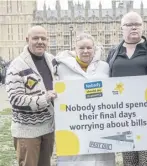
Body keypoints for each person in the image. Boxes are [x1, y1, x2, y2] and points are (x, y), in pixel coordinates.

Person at [107, 11, 147, 166]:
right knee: (129, 161)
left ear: (143, 27)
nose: (133, 27)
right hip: (123, 116)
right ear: (121, 28)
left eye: (137, 24)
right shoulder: (113, 52)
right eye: (129, 24)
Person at [55, 33, 115, 166]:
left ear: (94, 48)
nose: (85, 51)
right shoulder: (61, 68)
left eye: (89, 47)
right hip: (73, 122)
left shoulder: (105, 67)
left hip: (100, 121)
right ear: (74, 49)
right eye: (81, 48)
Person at [5, 26, 57, 166]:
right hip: (27, 131)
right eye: (35, 38)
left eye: (43, 38)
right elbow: (15, 99)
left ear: (48, 41)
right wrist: (44, 98)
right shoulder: (16, 66)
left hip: (48, 128)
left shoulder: (52, 60)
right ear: (27, 40)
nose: (40, 41)